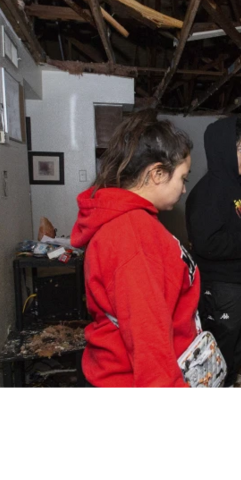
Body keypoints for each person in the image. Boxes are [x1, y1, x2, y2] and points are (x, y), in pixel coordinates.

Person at [71, 110, 198, 389]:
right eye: (183, 178)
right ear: (156, 174)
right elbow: (147, 338)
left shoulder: (134, 223)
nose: (184, 189)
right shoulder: (132, 234)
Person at [186, 118, 241, 388]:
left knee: (238, 346)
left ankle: (228, 383)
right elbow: (209, 245)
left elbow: (238, 225)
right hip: (223, 288)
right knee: (220, 349)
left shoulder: (237, 185)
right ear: (223, 150)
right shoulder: (206, 194)